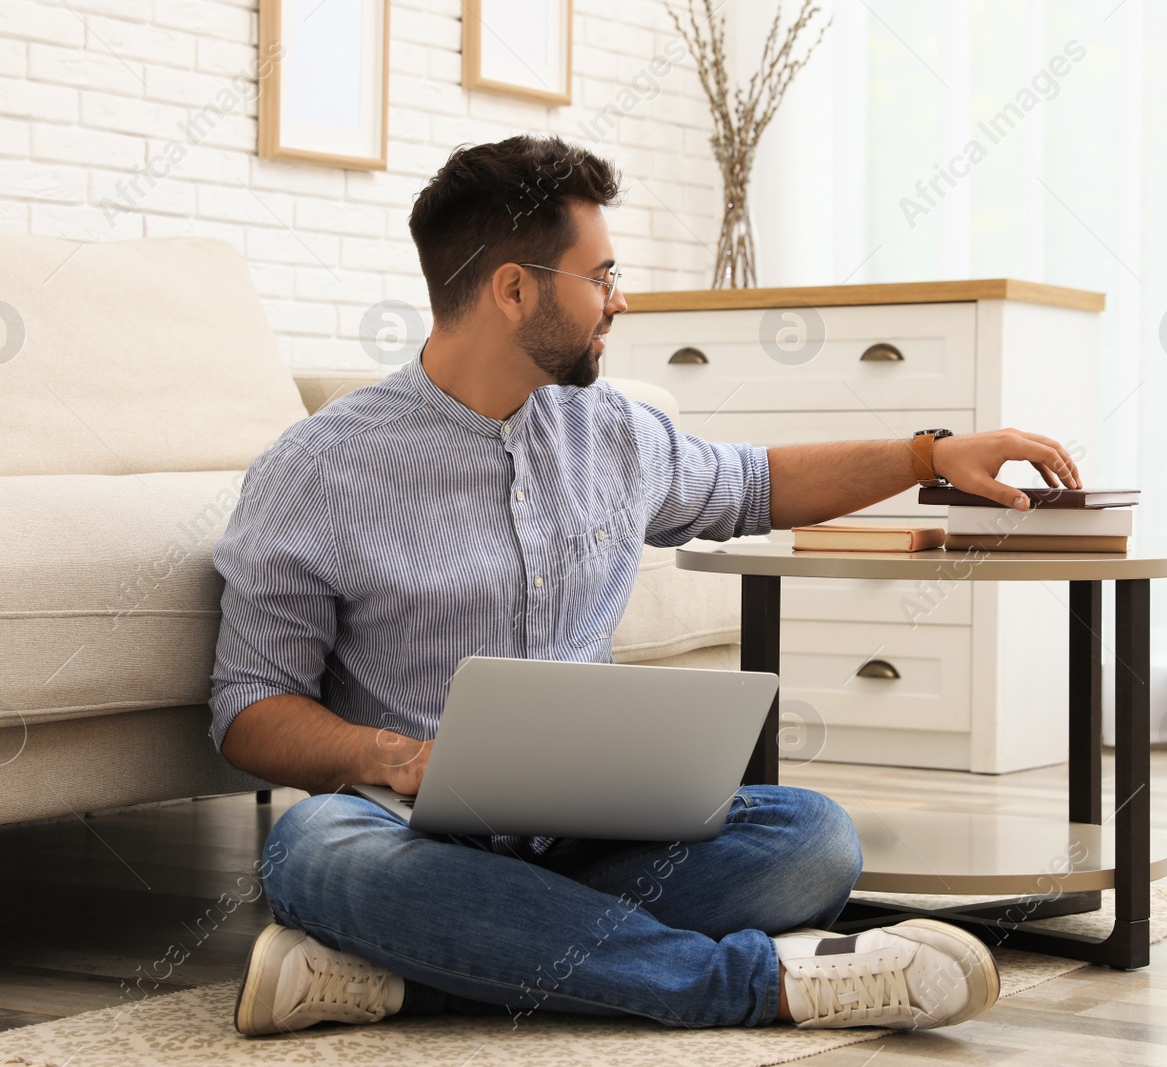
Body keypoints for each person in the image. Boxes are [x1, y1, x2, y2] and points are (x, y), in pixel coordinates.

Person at [208, 134, 1082, 1035]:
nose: (619, 301)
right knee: (314, 854)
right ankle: (756, 985)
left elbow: (758, 483)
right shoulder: (318, 470)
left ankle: (415, 973)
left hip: (592, 838)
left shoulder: (612, 431)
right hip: (410, 833)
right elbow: (248, 711)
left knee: (811, 837)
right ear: (515, 289)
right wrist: (396, 759)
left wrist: (927, 453)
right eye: (602, 276)